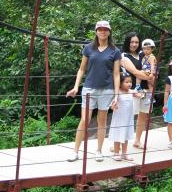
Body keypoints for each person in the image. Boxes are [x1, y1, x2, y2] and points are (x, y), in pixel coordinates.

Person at [66, 20, 121, 162]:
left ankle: (98, 151)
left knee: (101, 121)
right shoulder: (89, 48)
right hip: (89, 88)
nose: (102, 31)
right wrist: (76, 86)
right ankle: (75, 151)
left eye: (105, 29)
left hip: (107, 90)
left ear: (109, 32)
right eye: (100, 29)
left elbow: (116, 74)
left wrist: (116, 95)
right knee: (85, 120)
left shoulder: (115, 51)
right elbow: (82, 69)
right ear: (96, 31)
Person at [120, 32, 154, 149]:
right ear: (127, 42)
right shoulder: (124, 56)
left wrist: (152, 75)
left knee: (143, 115)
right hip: (132, 90)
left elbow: (152, 65)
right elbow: (135, 72)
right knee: (127, 116)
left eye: (136, 42)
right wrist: (149, 76)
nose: (134, 44)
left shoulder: (142, 54)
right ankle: (118, 144)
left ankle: (137, 140)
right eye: (132, 42)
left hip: (145, 89)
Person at [109, 74, 140, 161]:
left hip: (128, 119)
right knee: (118, 134)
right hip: (119, 119)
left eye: (130, 82)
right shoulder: (117, 92)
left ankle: (124, 153)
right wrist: (113, 106)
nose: (129, 84)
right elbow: (112, 105)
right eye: (126, 82)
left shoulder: (131, 91)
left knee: (126, 135)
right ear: (120, 83)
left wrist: (139, 94)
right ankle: (116, 153)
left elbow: (139, 95)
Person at [135, 38, 157, 105]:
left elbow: (153, 65)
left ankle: (138, 87)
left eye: (148, 49)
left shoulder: (151, 57)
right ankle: (151, 98)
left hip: (149, 72)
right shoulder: (145, 56)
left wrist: (152, 73)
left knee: (138, 74)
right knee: (149, 85)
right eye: (144, 49)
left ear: (152, 49)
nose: (146, 50)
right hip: (147, 71)